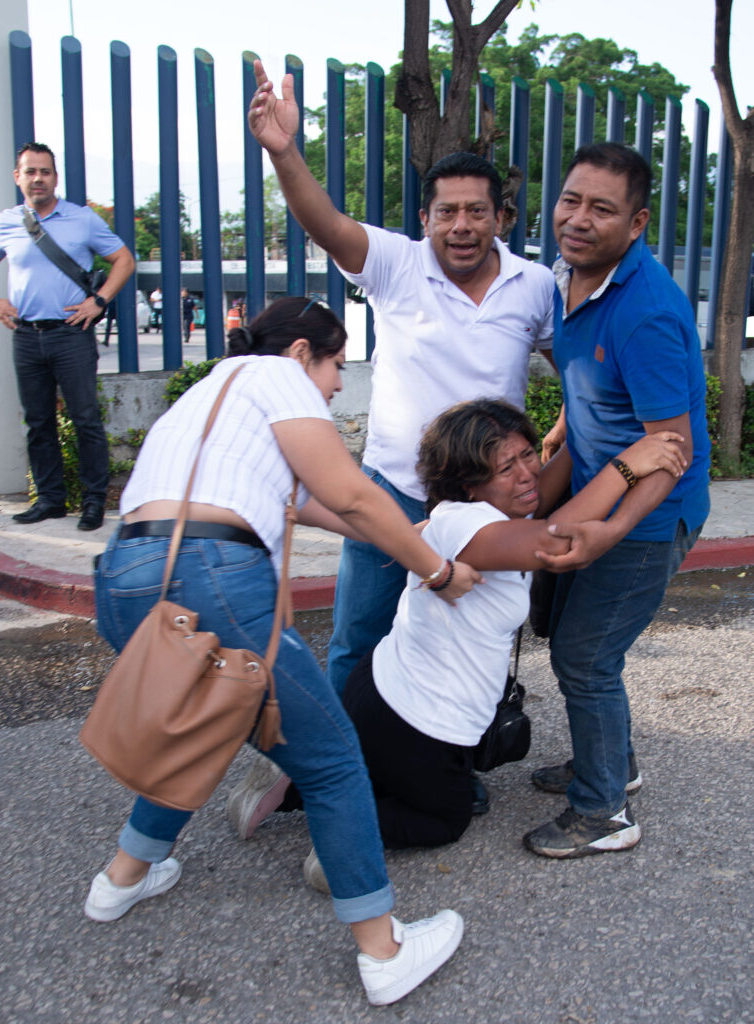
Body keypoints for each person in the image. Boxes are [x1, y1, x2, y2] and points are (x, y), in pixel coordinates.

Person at [85, 296, 481, 1006]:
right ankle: (383, 950)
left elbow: (317, 506)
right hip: (210, 577)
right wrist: (438, 569)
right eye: (335, 365)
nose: (335, 384)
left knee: (201, 725)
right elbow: (352, 495)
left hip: (123, 577)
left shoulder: (208, 393)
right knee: (330, 760)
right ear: (302, 352)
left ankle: (122, 879)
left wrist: (415, 531)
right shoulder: (277, 379)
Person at [239, 400, 686, 869]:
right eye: (505, 467)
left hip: (385, 694)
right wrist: (627, 465)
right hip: (415, 722)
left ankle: (300, 780)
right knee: (446, 820)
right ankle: (340, 830)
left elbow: (544, 492)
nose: (526, 475)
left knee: (390, 779)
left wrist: (581, 431)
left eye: (528, 455)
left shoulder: (474, 513)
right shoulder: (466, 526)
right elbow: (556, 538)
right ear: (470, 484)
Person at [247, 59, 557, 701]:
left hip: (483, 503)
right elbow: (325, 223)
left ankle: (453, 761)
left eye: (477, 212)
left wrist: (552, 442)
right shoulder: (396, 264)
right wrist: (284, 152)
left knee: (469, 639)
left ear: (501, 216)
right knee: (358, 638)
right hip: (393, 492)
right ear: (426, 219)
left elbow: (580, 376)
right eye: (447, 213)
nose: (462, 226)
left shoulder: (536, 286)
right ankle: (337, 772)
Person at [522, 143, 711, 859]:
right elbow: (580, 367)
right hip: (599, 487)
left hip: (648, 515)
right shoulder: (568, 280)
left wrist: (612, 532)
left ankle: (602, 812)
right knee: (572, 636)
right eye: (571, 200)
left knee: (585, 658)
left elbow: (672, 448)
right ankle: (613, 765)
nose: (578, 219)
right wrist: (571, 419)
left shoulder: (648, 313)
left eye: (602, 209)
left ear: (635, 225)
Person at [0, 142, 135, 531]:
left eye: (45, 172)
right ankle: (49, 501)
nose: (38, 179)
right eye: (30, 172)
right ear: (18, 177)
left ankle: (93, 502)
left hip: (71, 334)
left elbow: (124, 260)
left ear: (55, 178)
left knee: (85, 420)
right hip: (27, 336)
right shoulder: (6, 221)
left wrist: (99, 301)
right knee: (38, 422)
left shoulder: (82, 219)